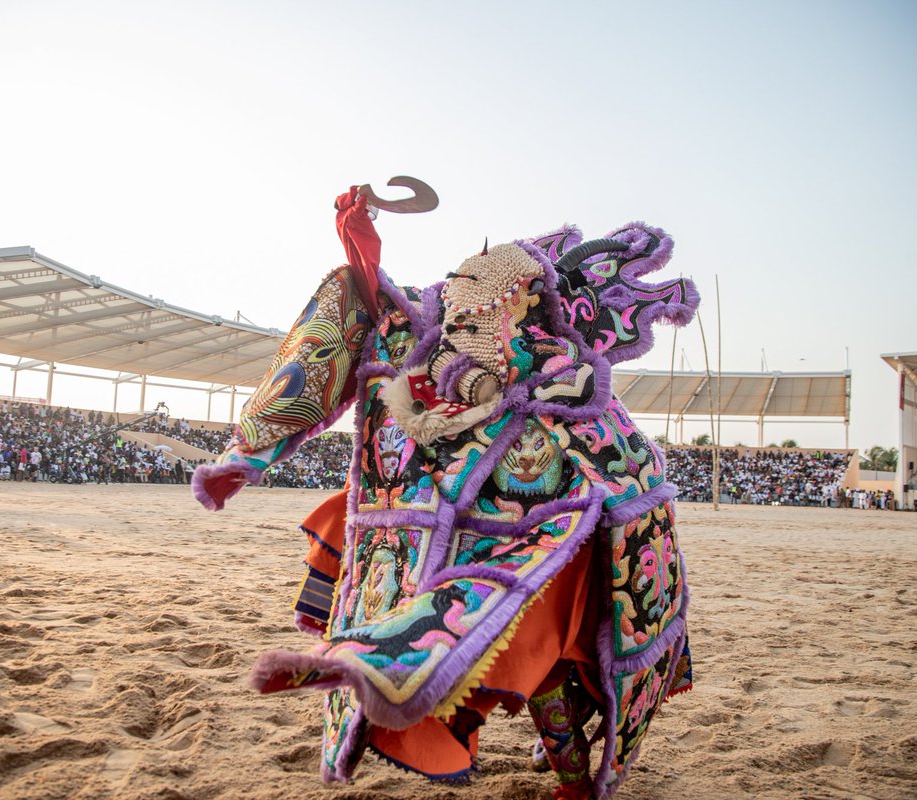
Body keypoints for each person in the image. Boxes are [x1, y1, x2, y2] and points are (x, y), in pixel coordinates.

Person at [193, 187, 697, 799]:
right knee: (515, 650)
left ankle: (570, 775)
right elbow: (375, 309)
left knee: (549, 654)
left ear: (524, 299)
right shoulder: (434, 346)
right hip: (453, 522)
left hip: (551, 531)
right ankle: (386, 671)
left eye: (484, 294)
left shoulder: (560, 368)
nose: (461, 305)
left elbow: (609, 455)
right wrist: (360, 240)